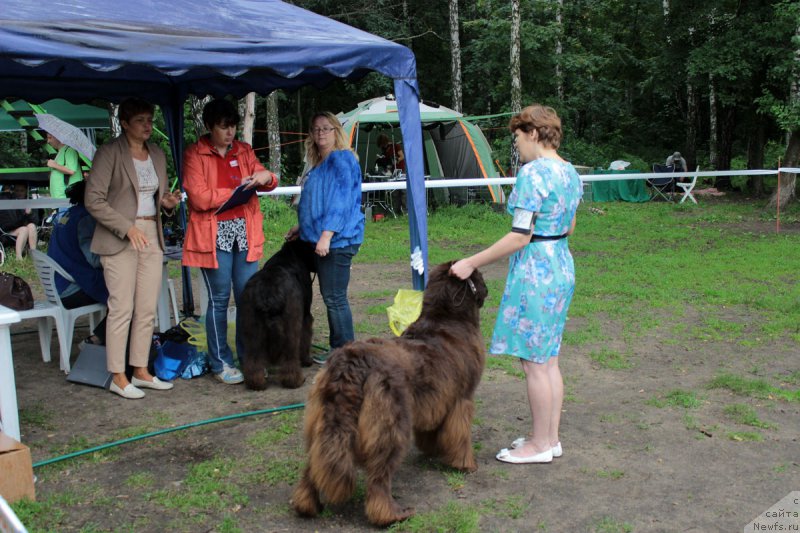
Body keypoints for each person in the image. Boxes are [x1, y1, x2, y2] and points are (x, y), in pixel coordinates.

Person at [450, 104, 582, 464]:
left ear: (534, 134)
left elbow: (520, 236)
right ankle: (549, 438)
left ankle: (539, 445)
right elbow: (569, 226)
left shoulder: (532, 174)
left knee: (534, 364)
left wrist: (470, 263)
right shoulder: (570, 172)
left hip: (537, 270)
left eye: (518, 137)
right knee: (548, 358)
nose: (517, 145)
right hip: (561, 264)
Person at [85, 97, 182, 399]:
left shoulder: (157, 154)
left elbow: (158, 196)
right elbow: (93, 200)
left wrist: (167, 204)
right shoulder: (109, 153)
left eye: (150, 120)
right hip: (119, 236)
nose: (148, 125)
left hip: (152, 231)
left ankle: (140, 370)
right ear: (125, 123)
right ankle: (117, 375)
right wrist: (126, 227)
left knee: (147, 308)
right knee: (121, 307)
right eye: (140, 120)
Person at [182, 99, 279, 385]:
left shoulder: (244, 150)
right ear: (209, 127)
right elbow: (199, 197)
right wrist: (235, 192)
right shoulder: (195, 154)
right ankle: (220, 361)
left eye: (233, 126)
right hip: (214, 235)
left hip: (245, 232)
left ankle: (250, 358)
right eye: (223, 127)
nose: (230, 132)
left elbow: (269, 179)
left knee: (248, 297)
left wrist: (264, 175)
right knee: (219, 299)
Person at [286, 112, 364, 364]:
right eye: (316, 129)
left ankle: (345, 352)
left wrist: (326, 235)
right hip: (321, 237)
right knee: (331, 295)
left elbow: (340, 202)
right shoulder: (319, 162)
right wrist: (302, 226)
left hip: (338, 240)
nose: (320, 133)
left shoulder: (341, 159)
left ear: (336, 131)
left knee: (334, 297)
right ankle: (339, 349)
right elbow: (318, 202)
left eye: (326, 128)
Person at [47, 181, 108, 347]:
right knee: (126, 296)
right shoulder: (86, 219)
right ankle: (96, 339)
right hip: (72, 288)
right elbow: (95, 259)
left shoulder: (67, 214)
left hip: (56, 286)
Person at [0, 183, 39, 260]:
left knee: (31, 226)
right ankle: (19, 257)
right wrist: (23, 214)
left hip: (24, 228)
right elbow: (9, 223)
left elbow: (36, 221)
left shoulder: (29, 202)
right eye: (17, 190)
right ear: (13, 191)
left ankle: (34, 255)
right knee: (24, 229)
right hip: (7, 232)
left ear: (26, 192)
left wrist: (30, 213)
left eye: (22, 191)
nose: (19, 193)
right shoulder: (8, 201)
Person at [45, 132, 82, 199]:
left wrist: (54, 165)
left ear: (59, 137)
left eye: (50, 138)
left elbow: (71, 171)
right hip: (61, 197)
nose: (48, 141)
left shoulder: (69, 150)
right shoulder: (61, 151)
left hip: (66, 198)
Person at [376, 133, 406, 214]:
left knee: (403, 191)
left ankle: (405, 211)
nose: (382, 146)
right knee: (394, 192)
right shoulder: (385, 149)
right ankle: (396, 211)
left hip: (400, 170)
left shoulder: (396, 146)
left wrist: (396, 160)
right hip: (392, 171)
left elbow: (402, 156)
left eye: (382, 144)